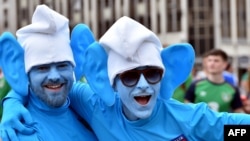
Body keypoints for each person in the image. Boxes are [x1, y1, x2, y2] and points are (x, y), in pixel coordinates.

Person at [2, 16, 250, 140]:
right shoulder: (95, 104)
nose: (143, 84)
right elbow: (51, 87)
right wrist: (12, 102)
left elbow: (232, 128)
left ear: (164, 77)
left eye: (152, 74)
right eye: (130, 77)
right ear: (109, 82)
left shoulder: (187, 117)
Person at [0, 5, 97, 141]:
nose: (54, 76)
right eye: (42, 68)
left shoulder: (84, 107)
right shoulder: (23, 133)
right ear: (24, 74)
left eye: (63, 65)